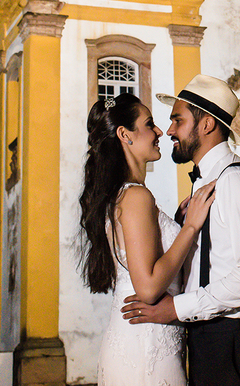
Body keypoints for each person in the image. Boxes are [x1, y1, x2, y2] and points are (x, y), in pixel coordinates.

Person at [122, 74, 240, 386]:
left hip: (236, 342)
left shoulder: (236, 181)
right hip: (212, 337)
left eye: (177, 121)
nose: (169, 131)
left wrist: (176, 309)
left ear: (206, 124)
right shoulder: (205, 184)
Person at [78, 92, 217, 386]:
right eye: (150, 124)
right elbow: (149, 287)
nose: (158, 132)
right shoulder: (136, 196)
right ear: (124, 135)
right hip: (146, 349)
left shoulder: (124, 194)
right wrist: (190, 229)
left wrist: (176, 226)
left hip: (143, 341)